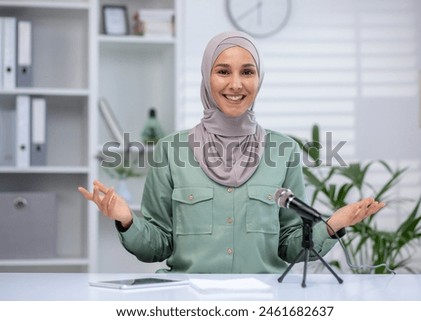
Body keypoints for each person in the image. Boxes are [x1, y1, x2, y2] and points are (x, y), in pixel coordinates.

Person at [78, 31, 384, 273]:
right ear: (206, 78)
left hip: (264, 304)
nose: (236, 84)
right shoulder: (170, 150)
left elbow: (290, 246)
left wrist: (332, 226)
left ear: (259, 78)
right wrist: (127, 220)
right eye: (223, 71)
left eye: (247, 72)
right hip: (188, 305)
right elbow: (157, 247)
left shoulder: (284, 151)